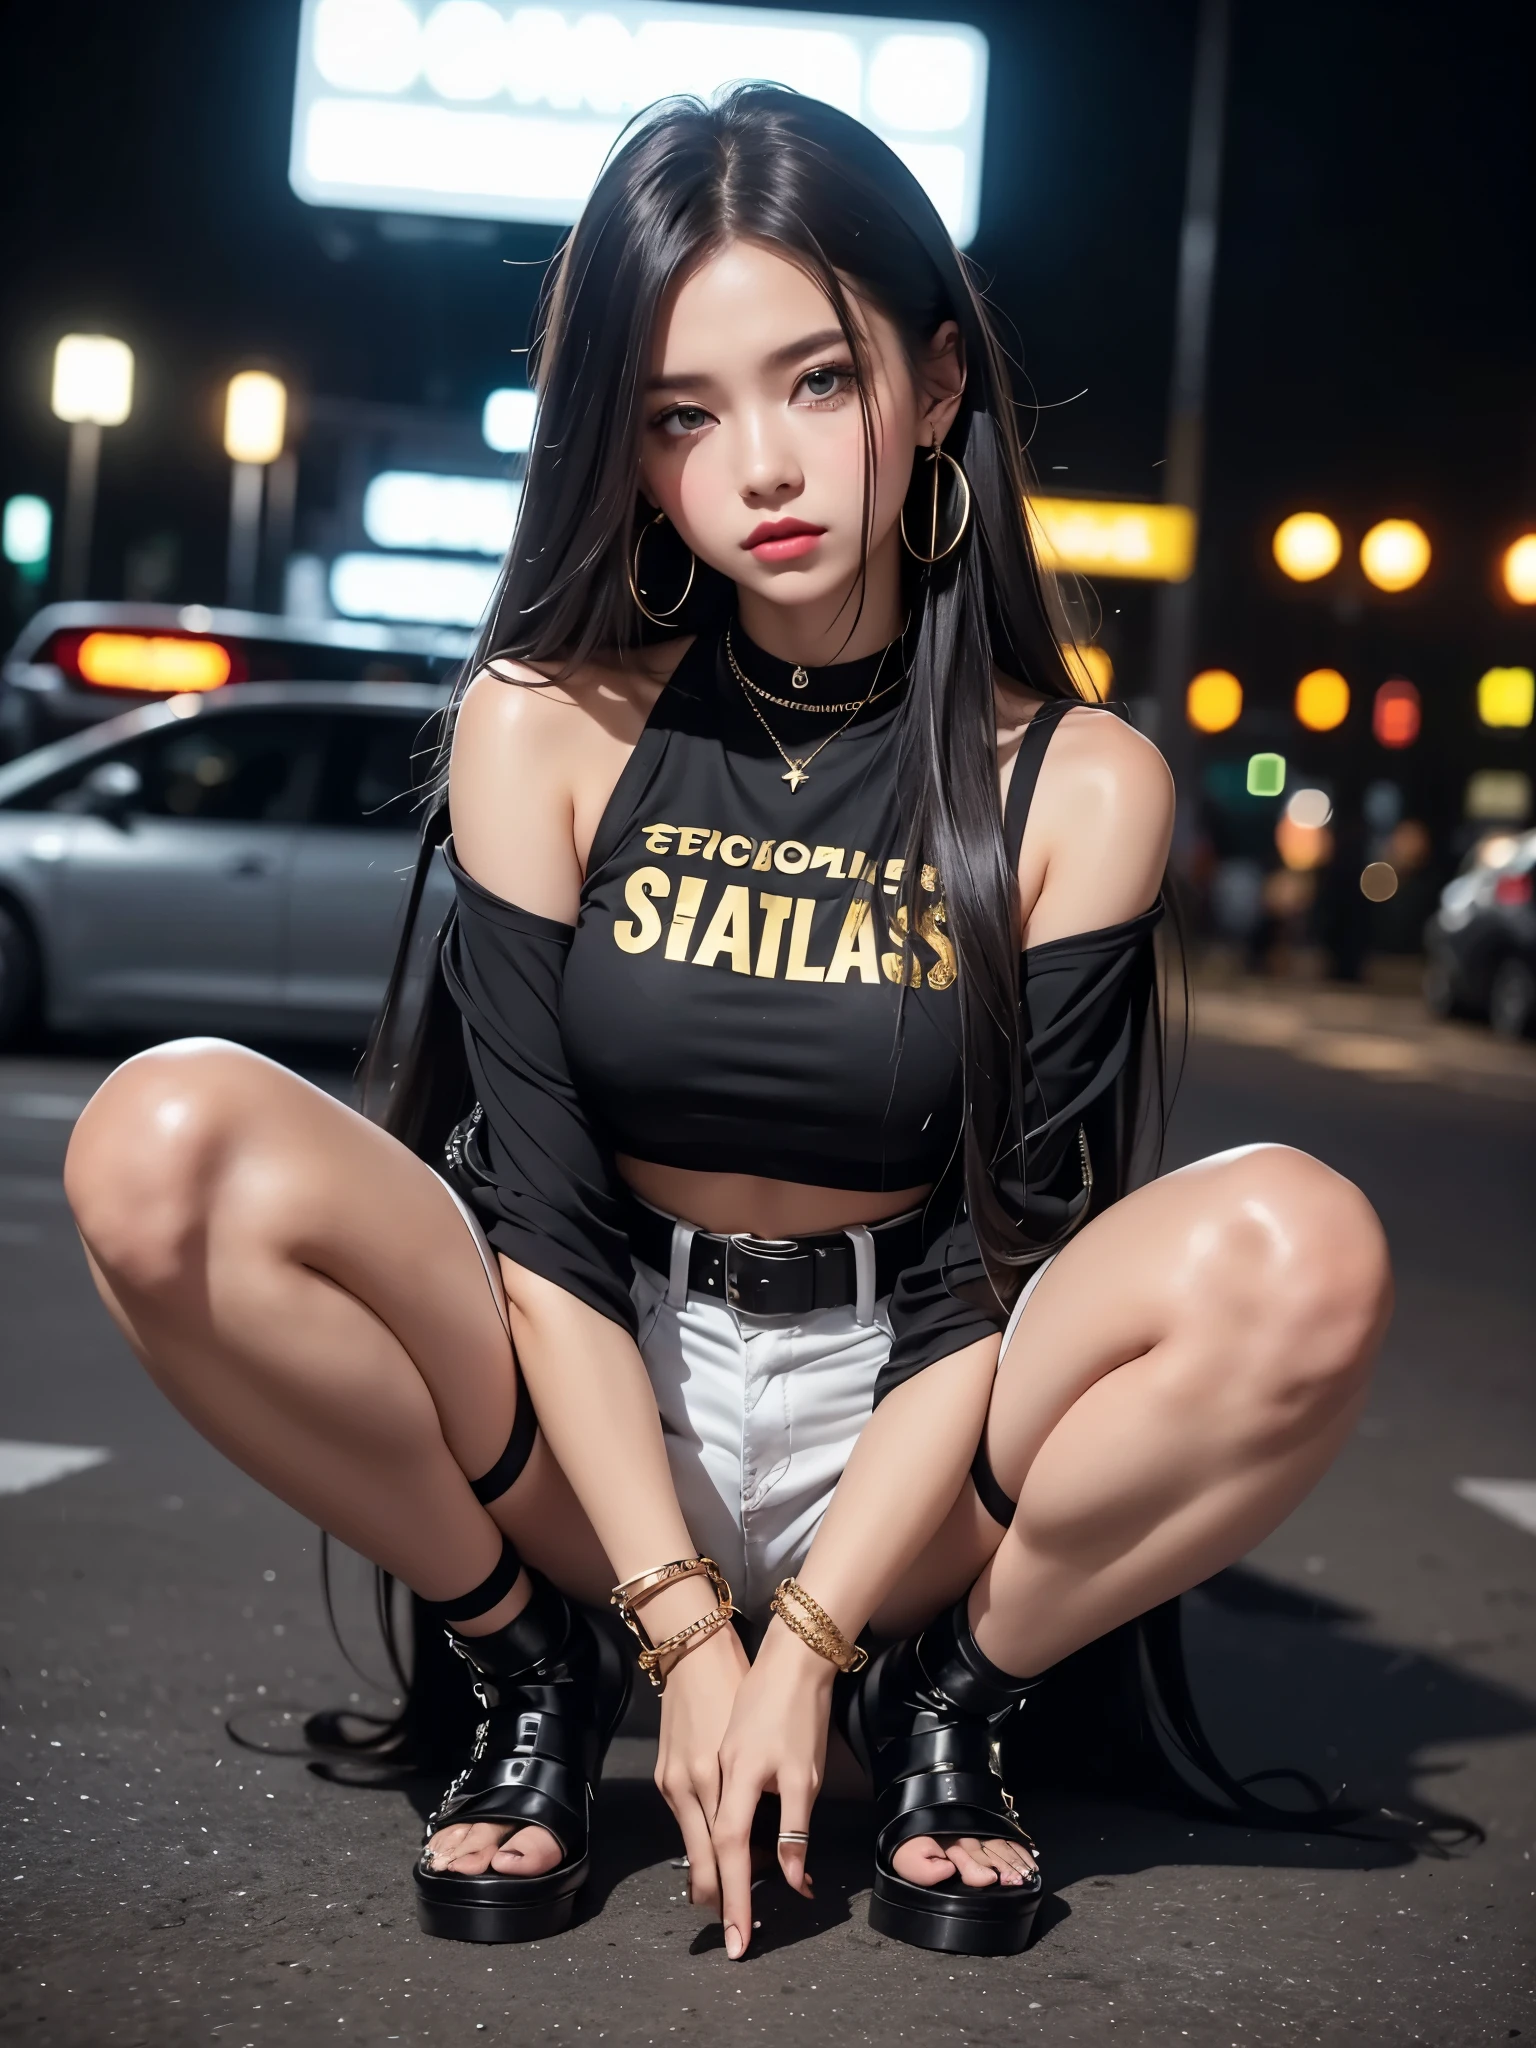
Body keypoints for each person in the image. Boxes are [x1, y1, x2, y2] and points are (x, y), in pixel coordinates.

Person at [62, 87, 1391, 1962]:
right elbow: (540, 1221)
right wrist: (675, 1625)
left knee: (1302, 1241)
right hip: (591, 1401)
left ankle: (952, 1709)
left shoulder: (1079, 786)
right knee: (161, 1138)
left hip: (912, 1438)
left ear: (934, 389)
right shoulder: (552, 719)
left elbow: (986, 1282)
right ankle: (524, 1671)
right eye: (684, 414)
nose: (759, 464)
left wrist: (823, 1634)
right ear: (628, 450)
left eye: (816, 384)